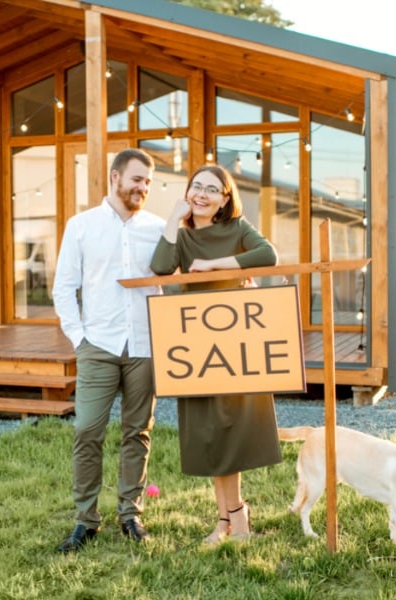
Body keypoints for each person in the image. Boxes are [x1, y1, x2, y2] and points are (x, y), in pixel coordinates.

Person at [149, 163, 282, 545]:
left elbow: (267, 255)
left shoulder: (236, 229)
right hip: (196, 345)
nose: (202, 194)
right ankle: (228, 520)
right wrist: (174, 217)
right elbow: (160, 266)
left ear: (225, 199)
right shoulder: (182, 234)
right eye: (196, 187)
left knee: (232, 429)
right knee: (209, 432)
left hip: (235, 343)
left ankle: (235, 518)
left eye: (211, 189)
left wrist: (214, 264)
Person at [52, 148, 166, 553]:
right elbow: (64, 286)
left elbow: (175, 278)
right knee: (87, 430)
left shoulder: (158, 228)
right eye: (137, 179)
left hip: (144, 345)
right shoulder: (81, 226)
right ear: (115, 177)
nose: (143, 188)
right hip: (97, 344)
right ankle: (86, 519)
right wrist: (78, 337)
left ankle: (130, 513)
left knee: (138, 432)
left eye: (149, 182)